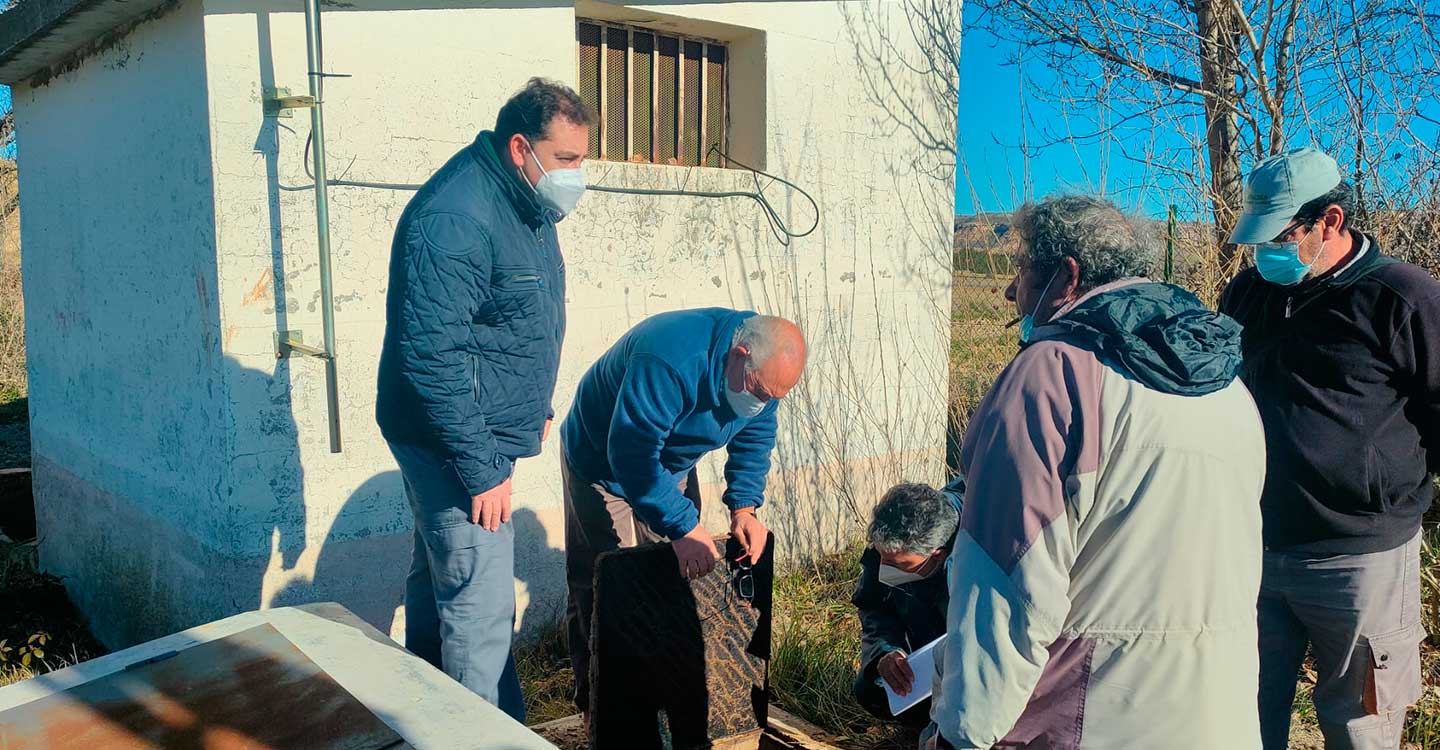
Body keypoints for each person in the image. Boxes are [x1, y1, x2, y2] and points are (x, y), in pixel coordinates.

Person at [922, 195, 1267, 749]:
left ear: (1066, 276)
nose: (1012, 291)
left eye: (1023, 271)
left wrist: (963, 731)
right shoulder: (1229, 387)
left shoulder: (1052, 376)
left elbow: (1008, 590)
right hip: (1216, 715)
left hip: (1092, 718)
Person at [374, 78, 591, 721]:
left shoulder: (524, 203)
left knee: (439, 580)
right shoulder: (456, 217)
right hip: (455, 443)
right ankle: (480, 733)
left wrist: (533, 403)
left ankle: (422, 718)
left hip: (478, 429)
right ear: (521, 148)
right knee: (481, 607)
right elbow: (430, 356)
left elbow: (514, 319)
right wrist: (481, 467)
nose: (579, 176)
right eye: (569, 160)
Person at [1220, 147, 1439, 750]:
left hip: (1361, 560)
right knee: (1239, 716)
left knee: (1361, 725)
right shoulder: (1248, 294)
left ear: (1331, 221)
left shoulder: (1405, 298)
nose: (1267, 254)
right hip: (1255, 551)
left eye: (1282, 237)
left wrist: (1391, 494)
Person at [559, 308, 807, 713]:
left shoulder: (764, 376)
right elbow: (631, 455)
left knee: (670, 575)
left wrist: (745, 509)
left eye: (772, 398)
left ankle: (659, 690)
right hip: (602, 464)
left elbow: (755, 436)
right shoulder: (669, 357)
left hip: (668, 464)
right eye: (759, 392)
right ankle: (601, 706)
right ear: (739, 354)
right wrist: (682, 526)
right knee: (607, 582)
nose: (762, 403)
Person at [851, 478, 964, 727]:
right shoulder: (890, 542)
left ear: (938, 555)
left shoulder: (985, 543)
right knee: (871, 691)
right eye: (883, 559)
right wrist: (885, 650)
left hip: (973, 654)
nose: (885, 571)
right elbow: (873, 605)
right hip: (925, 656)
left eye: (899, 566)